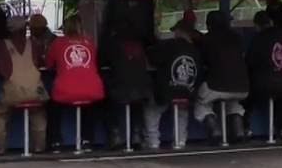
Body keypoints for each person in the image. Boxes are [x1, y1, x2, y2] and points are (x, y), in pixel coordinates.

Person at [0, 16, 48, 154]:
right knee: (38, 113)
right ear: (24, 29)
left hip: (13, 93)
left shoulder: (0, 46)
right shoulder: (34, 45)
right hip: (35, 92)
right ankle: (39, 146)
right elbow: (43, 63)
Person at [44, 15, 104, 150]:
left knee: (53, 107)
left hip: (65, 91)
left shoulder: (58, 43)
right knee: (90, 106)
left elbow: (48, 64)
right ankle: (87, 140)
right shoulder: (89, 43)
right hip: (92, 89)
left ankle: (55, 141)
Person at [144, 20, 203, 150]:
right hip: (189, 92)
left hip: (166, 91)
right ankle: (180, 141)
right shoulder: (196, 50)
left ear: (179, 32)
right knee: (182, 111)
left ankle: (153, 142)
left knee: (152, 110)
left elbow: (153, 58)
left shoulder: (169, 45)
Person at [98, 11, 153, 149]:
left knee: (105, 100)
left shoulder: (111, 42)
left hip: (121, 88)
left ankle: (115, 135)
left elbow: (101, 61)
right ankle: (136, 134)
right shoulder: (140, 40)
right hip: (143, 88)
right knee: (137, 104)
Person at [194, 11, 249, 145]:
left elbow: (200, 62)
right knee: (234, 103)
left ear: (209, 24)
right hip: (243, 87)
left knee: (201, 104)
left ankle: (215, 131)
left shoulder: (207, 39)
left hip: (216, 85)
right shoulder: (237, 37)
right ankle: (238, 131)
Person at [244, 10, 282, 141]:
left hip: (266, 85)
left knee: (246, 93)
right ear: (271, 22)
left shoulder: (258, 39)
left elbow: (250, 61)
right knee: (281, 97)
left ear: (257, 25)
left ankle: (245, 128)